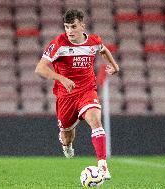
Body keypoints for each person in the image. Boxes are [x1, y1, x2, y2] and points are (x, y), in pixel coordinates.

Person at [35, 9, 119, 179]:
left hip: (87, 90)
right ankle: (66, 144)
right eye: (66, 27)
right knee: (67, 136)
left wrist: (114, 65)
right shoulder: (59, 43)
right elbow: (40, 68)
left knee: (95, 120)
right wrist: (61, 78)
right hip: (66, 96)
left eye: (73, 26)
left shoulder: (94, 41)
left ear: (82, 25)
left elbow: (103, 50)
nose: (70, 31)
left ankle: (103, 166)